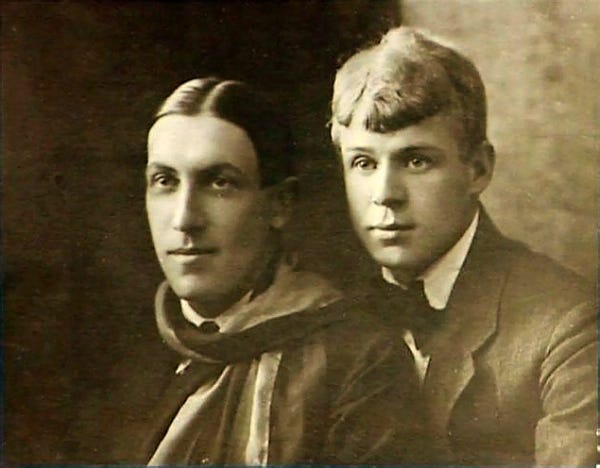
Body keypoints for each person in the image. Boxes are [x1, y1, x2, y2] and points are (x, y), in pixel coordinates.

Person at [59, 77, 424, 464]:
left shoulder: (359, 360)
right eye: (165, 181)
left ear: (279, 204)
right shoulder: (112, 358)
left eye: (219, 183)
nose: (185, 219)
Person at [329, 27, 596, 466]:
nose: (385, 194)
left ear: (478, 169)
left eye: (416, 161)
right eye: (364, 162)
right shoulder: (328, 310)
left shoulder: (568, 325)